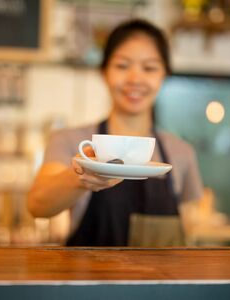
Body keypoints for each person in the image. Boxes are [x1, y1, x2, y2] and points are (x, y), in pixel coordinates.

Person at [27, 19, 203, 246]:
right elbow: (37, 205)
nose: (135, 79)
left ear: (164, 75)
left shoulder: (181, 152)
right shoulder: (69, 140)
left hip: (160, 281)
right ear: (104, 72)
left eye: (149, 68)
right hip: (90, 280)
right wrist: (82, 176)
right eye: (122, 65)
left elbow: (191, 226)